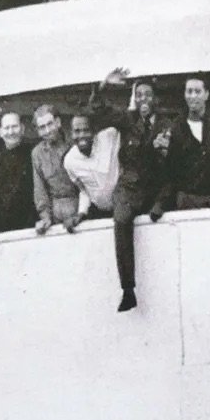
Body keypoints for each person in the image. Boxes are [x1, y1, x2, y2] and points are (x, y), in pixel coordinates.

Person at [88, 68, 174, 312]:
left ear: (155, 99)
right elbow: (97, 111)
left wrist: (163, 151)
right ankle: (128, 289)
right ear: (134, 99)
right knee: (122, 218)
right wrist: (103, 85)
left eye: (148, 95)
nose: (143, 99)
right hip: (130, 186)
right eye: (139, 95)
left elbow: (173, 166)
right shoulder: (127, 120)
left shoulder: (167, 124)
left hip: (156, 187)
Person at [161, 76, 210, 211]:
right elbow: (171, 167)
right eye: (189, 91)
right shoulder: (177, 126)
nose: (193, 96)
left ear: (206, 95)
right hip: (186, 199)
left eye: (197, 91)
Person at [0, 111, 37, 240]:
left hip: (30, 226)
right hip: (0, 229)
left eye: (14, 127)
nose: (11, 132)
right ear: (0, 132)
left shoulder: (33, 153)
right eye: (7, 128)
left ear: (22, 129)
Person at [62, 110, 121, 225]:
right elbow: (84, 190)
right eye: (77, 131)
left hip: (123, 207)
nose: (81, 135)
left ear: (94, 131)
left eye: (86, 130)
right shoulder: (69, 161)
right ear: (71, 134)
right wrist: (81, 212)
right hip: (100, 212)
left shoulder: (109, 136)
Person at [31, 104, 80, 234]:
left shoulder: (74, 144)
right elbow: (40, 189)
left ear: (58, 122)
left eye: (50, 124)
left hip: (79, 208)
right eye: (42, 127)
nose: (47, 131)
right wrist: (45, 217)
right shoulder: (37, 153)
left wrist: (80, 214)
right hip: (55, 212)